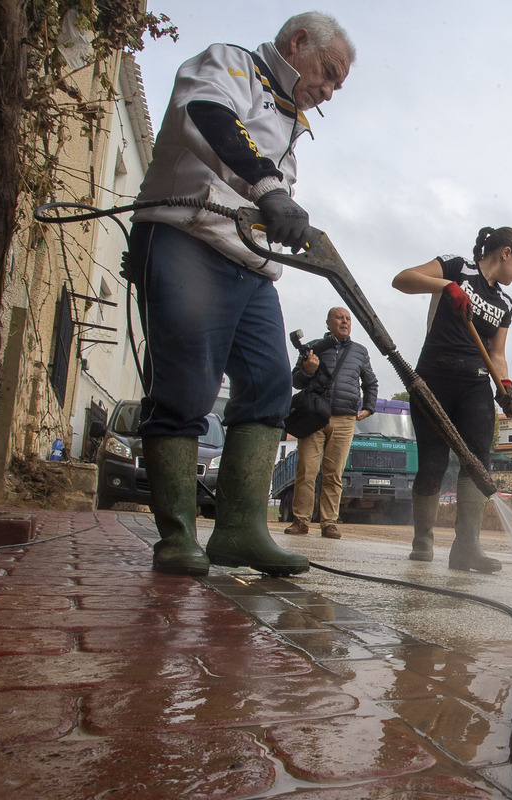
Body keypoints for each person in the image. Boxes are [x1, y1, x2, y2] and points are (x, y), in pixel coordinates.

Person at [127, 13, 355, 577]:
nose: (328, 90)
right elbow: (207, 117)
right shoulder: (231, 65)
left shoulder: (292, 122)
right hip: (186, 237)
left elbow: (273, 189)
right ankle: (178, 538)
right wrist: (270, 189)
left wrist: (280, 204)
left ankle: (240, 532)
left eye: (336, 87)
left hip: (251, 266)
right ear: (298, 42)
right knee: (184, 389)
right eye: (328, 73)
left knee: (270, 388)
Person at [391, 227, 512, 573]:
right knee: (433, 464)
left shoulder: (505, 303)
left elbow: (496, 353)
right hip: (433, 379)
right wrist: (446, 286)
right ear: (506, 253)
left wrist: (506, 385)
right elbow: (402, 279)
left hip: (475, 385)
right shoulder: (457, 268)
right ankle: (422, 542)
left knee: (476, 464)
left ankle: (467, 547)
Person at [284, 307, 378, 539]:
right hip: (314, 416)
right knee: (306, 471)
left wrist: (369, 407)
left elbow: (371, 382)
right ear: (328, 323)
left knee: (334, 473)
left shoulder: (360, 351)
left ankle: (329, 523)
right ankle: (301, 521)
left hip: (345, 418)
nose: (345, 321)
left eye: (348, 318)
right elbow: (296, 380)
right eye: (339, 317)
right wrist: (308, 371)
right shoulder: (313, 348)